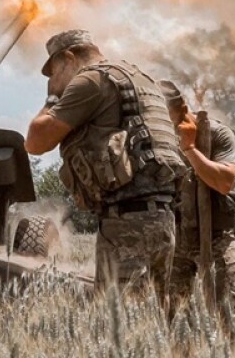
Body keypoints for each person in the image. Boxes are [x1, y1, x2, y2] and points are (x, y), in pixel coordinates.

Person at [25, 30, 185, 304]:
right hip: (163, 220)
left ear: (69, 57)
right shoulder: (140, 78)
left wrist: (52, 98)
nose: (54, 80)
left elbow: (36, 142)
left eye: (54, 71)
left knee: (120, 326)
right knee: (156, 321)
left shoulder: (91, 80)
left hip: (127, 223)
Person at [158, 80, 235, 318]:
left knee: (230, 313)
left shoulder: (217, 133)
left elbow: (224, 181)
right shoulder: (159, 138)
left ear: (182, 109)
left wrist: (189, 149)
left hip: (219, 236)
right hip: (179, 237)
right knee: (173, 318)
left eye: (167, 117)